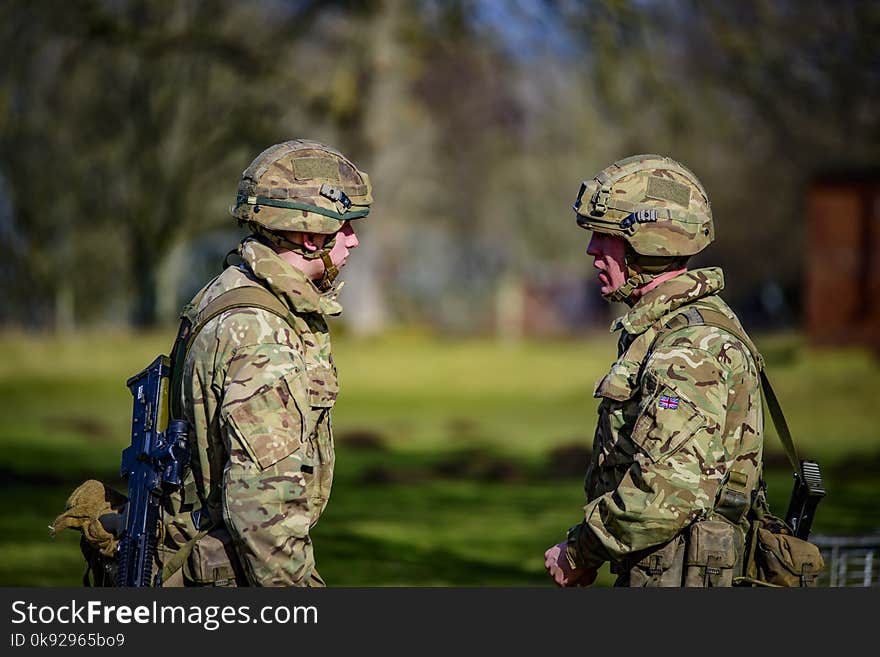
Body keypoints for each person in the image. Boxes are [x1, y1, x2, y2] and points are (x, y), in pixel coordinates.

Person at [155, 139, 373, 586]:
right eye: (346, 226)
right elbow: (263, 514)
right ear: (312, 235)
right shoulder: (260, 334)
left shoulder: (228, 289)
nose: (353, 240)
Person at [543, 154, 766, 587]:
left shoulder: (689, 350)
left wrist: (580, 550)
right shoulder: (676, 327)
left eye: (604, 237)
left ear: (648, 243)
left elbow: (666, 494)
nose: (592, 251)